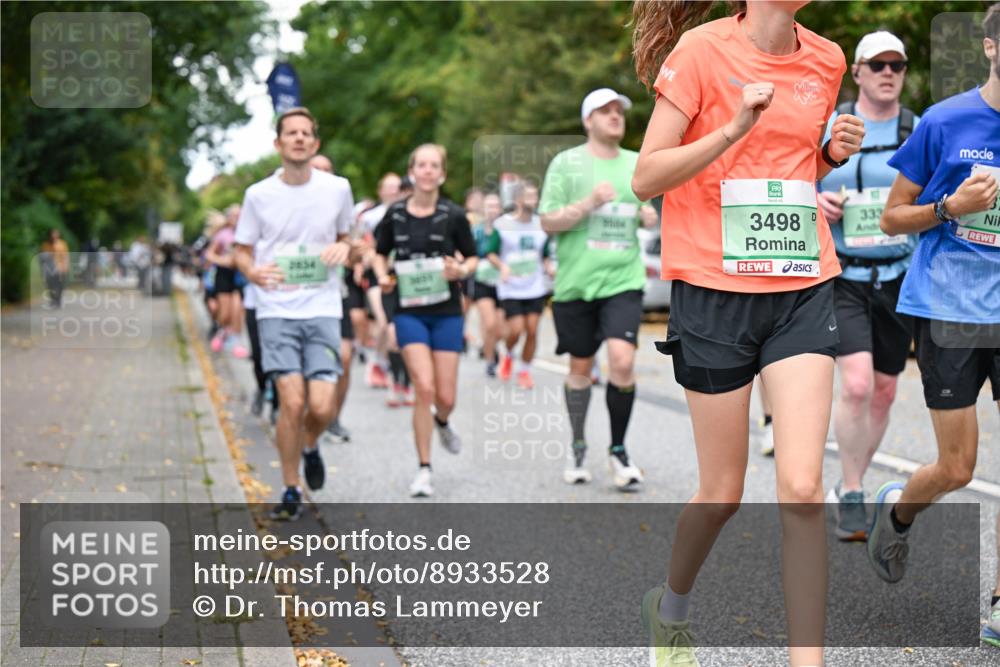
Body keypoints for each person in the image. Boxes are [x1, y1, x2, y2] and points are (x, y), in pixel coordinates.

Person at [631, 1, 865, 665]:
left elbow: (793, 168)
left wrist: (829, 154)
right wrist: (732, 128)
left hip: (801, 284)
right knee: (721, 494)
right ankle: (671, 605)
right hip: (713, 291)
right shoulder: (702, 52)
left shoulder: (827, 58)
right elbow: (646, 176)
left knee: (802, 488)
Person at [866, 1, 999, 613]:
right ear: (990, 48)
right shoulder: (945, 122)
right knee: (957, 467)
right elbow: (893, 216)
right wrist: (951, 208)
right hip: (949, 306)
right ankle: (898, 513)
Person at [815, 31, 919, 541]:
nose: (887, 73)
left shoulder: (917, 130)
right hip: (844, 275)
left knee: (884, 390)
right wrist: (815, 200)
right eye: (877, 64)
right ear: (856, 72)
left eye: (896, 65)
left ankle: (849, 478)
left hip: (899, 276)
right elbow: (794, 178)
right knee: (856, 384)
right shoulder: (831, 125)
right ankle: (854, 490)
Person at [233, 107, 355, 520]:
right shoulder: (258, 195)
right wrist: (253, 272)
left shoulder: (337, 189)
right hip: (276, 310)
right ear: (278, 143)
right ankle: (289, 488)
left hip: (323, 308)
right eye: (291, 133)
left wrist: (344, 247)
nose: (299, 138)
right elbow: (241, 250)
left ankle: (310, 443)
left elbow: (350, 238)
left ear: (315, 143)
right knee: (292, 400)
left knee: (321, 407)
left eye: (306, 133)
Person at [539, 87, 656, 491]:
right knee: (580, 370)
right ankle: (577, 443)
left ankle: (618, 450)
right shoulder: (566, 164)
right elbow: (547, 222)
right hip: (576, 285)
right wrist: (587, 203)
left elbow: (646, 209)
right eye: (605, 111)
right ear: (588, 120)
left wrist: (647, 216)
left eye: (618, 110)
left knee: (622, 362)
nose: (615, 116)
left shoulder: (637, 163)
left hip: (624, 280)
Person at [373, 144, 478, 498]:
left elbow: (473, 258)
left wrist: (460, 269)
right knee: (424, 387)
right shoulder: (395, 214)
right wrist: (382, 276)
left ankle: (443, 421)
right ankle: (424, 468)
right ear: (412, 172)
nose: (428, 170)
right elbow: (378, 253)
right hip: (409, 311)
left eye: (434, 165)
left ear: (442, 174)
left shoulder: (454, 215)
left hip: (446, 311)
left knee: (445, 397)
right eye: (422, 165)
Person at [309, 154, 357, 442]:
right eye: (317, 169)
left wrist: (352, 251)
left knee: (345, 358)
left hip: (336, 294)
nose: (323, 175)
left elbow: (356, 247)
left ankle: (334, 418)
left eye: (328, 170)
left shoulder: (340, 205)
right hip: (298, 300)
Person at [487, 181, 550, 389]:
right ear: (517, 200)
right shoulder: (502, 224)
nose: (534, 200)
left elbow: (545, 253)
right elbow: (491, 253)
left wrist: (549, 266)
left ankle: (524, 371)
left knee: (532, 330)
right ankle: (508, 353)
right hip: (511, 287)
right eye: (529, 196)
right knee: (516, 329)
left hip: (535, 286)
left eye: (535, 196)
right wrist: (502, 266)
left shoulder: (541, 224)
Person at [357, 173, 404, 391]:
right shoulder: (370, 217)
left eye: (397, 187)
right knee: (385, 321)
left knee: (397, 325)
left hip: (402, 274)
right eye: (389, 187)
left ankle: (387, 363)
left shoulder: (408, 213)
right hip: (377, 275)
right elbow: (360, 243)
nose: (393, 191)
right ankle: (378, 361)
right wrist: (365, 259)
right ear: (380, 190)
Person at [206, 205, 249, 359]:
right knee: (225, 313)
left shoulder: (247, 233)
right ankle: (222, 332)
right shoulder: (222, 234)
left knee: (238, 310)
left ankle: (236, 341)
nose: (236, 218)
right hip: (224, 274)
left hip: (240, 275)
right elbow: (209, 254)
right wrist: (224, 261)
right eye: (234, 215)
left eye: (239, 215)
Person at [471, 192, 505, 376]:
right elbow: (467, 252)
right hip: (482, 281)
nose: (492, 210)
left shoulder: (507, 230)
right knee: (489, 323)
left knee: (500, 329)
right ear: (483, 209)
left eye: (495, 206)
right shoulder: (476, 231)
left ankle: (490, 346)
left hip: (503, 283)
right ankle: (490, 360)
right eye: (489, 206)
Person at [40, 229, 70, 308]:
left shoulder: (62, 244)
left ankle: (58, 300)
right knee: (50, 285)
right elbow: (42, 258)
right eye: (53, 234)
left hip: (60, 268)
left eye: (56, 234)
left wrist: (66, 266)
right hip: (49, 269)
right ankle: (53, 300)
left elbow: (66, 256)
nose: (54, 235)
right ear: (50, 235)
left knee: (59, 285)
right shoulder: (45, 245)